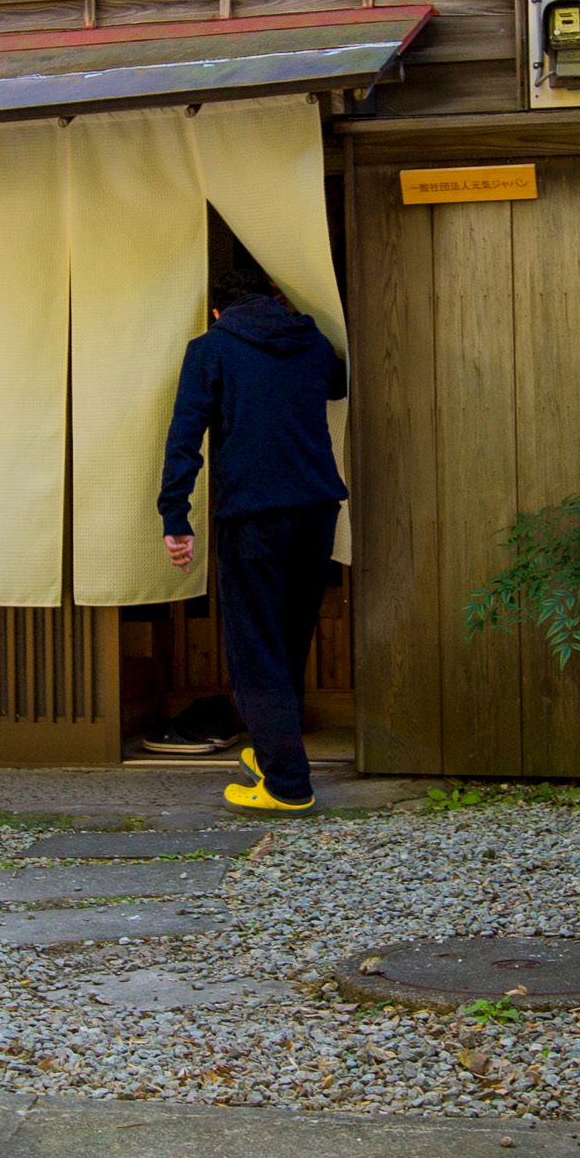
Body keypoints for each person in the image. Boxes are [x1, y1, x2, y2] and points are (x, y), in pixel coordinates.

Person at [158, 252, 347, 812]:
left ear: (217, 311)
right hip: (317, 510)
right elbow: (338, 383)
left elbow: (184, 436)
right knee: (287, 640)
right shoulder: (309, 344)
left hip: (253, 516)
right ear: (275, 300)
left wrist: (176, 518)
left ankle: (288, 784)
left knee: (254, 647)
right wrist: (307, 321)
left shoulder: (211, 348)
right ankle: (273, 755)